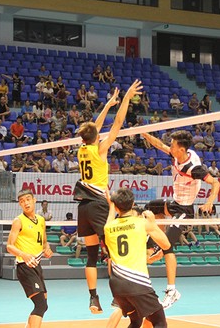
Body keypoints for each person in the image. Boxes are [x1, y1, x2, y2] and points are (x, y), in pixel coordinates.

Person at [73, 80, 142, 313]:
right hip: (98, 204)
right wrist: (123, 102)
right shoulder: (101, 149)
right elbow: (118, 125)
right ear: (96, 136)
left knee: (92, 255)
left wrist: (108, 105)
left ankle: (93, 298)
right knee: (113, 251)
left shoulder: (82, 148)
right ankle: (118, 297)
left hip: (82, 205)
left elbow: (94, 126)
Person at [142, 130, 220, 309]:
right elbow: (159, 145)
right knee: (149, 210)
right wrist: (144, 134)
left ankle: (172, 291)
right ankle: (153, 245)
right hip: (174, 203)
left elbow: (216, 183)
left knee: (167, 248)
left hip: (184, 210)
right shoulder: (178, 154)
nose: (170, 146)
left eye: (173, 145)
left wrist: (209, 202)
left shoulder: (194, 168)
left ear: (181, 149)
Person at [104, 188, 170, 328]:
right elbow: (166, 244)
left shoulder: (108, 227)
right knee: (159, 322)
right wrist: (153, 223)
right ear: (133, 203)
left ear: (116, 206)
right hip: (137, 283)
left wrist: (110, 204)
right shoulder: (142, 223)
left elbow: (110, 217)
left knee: (135, 321)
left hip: (117, 285)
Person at [6, 189, 53, 328]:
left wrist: (47, 249)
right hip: (24, 266)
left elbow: (44, 242)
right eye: (22, 201)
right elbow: (9, 246)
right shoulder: (18, 221)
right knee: (40, 305)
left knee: (43, 304)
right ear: (20, 205)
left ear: (34, 200)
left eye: (27, 199)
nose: (25, 203)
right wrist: (24, 255)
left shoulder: (41, 220)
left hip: (36, 265)